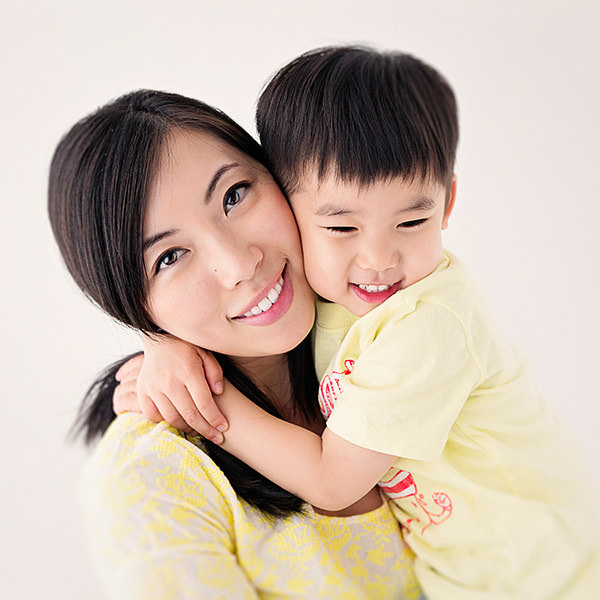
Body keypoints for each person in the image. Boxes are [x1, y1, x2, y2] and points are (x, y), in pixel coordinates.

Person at [126, 47, 600, 598]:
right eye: (342, 228)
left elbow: (332, 480)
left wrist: (206, 398)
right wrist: (165, 344)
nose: (378, 260)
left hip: (550, 575)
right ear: (289, 206)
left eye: (412, 220)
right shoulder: (321, 297)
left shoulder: (429, 322)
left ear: (447, 203)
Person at [48, 89, 423, 599]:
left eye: (234, 196)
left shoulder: (386, 330)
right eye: (171, 257)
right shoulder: (151, 476)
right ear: (130, 305)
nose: (239, 263)